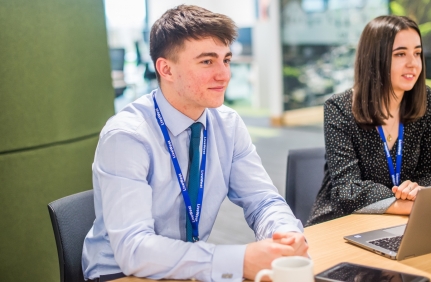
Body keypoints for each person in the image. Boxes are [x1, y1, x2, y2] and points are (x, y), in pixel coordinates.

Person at [82, 5, 307, 282]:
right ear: (166, 69)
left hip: (191, 268)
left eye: (226, 60)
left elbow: (262, 200)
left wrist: (286, 234)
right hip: (121, 273)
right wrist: (239, 260)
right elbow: (134, 248)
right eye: (207, 62)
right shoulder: (127, 136)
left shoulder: (227, 123)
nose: (224, 75)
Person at [307, 15, 431, 226]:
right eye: (401, 54)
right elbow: (347, 190)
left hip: (403, 221)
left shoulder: (424, 99)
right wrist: (405, 205)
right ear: (375, 59)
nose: (413, 64)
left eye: (417, 53)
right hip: (344, 221)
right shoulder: (339, 108)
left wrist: (418, 188)